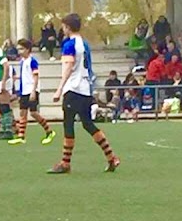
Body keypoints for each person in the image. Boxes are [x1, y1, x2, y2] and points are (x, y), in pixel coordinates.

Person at [48, 13, 120, 174]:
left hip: (73, 88)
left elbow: (68, 67)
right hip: (85, 88)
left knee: (68, 124)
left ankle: (65, 163)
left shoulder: (69, 44)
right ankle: (111, 157)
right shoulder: (84, 44)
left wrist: (59, 88)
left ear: (67, 27)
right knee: (88, 124)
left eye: (63, 26)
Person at [8, 40, 55, 146]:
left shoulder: (32, 61)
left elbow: (35, 76)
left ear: (27, 49)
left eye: (21, 49)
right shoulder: (22, 62)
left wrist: (34, 91)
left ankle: (49, 131)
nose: (19, 51)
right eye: (18, 49)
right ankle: (21, 136)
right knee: (22, 113)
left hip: (31, 90)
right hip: (25, 91)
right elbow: (26, 76)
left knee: (33, 113)